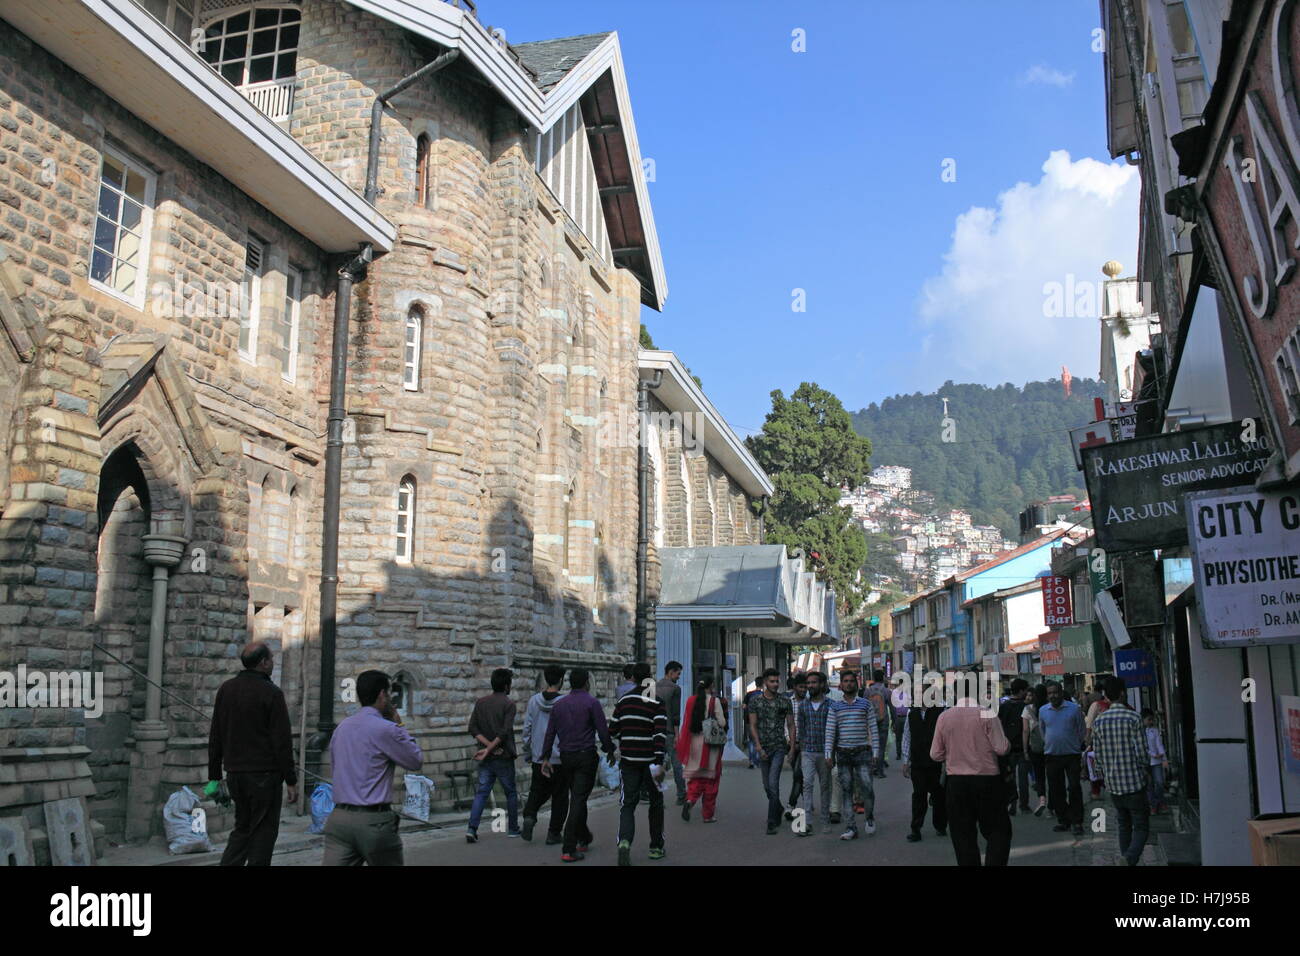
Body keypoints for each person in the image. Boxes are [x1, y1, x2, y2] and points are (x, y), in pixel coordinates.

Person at [207, 641, 298, 866]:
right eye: (271, 659)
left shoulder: (226, 689)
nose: (273, 663)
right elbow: (282, 742)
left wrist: (215, 775)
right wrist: (291, 780)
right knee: (263, 833)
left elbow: (215, 734)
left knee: (243, 828)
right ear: (263, 662)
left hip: (235, 775)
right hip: (264, 776)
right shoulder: (272, 693)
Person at [322, 670, 423, 865]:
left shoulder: (342, 728)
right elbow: (415, 760)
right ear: (382, 694)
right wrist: (399, 724)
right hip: (373, 821)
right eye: (389, 693)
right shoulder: (386, 729)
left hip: (339, 818)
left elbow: (336, 766)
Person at [541, 667, 616, 862]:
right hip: (585, 756)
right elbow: (602, 730)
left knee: (577, 796)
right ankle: (569, 846)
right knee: (578, 799)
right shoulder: (592, 703)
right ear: (586, 683)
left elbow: (550, 732)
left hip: (566, 757)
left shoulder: (559, 705)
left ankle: (583, 837)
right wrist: (610, 750)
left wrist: (546, 757)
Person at [930, 692, 1011, 866]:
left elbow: (935, 754)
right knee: (998, 831)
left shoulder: (944, 717)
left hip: (957, 783)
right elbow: (1002, 748)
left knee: (963, 836)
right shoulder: (987, 714)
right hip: (988, 781)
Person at [610, 662, 668, 865]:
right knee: (656, 802)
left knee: (627, 804)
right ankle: (656, 847)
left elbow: (613, 729)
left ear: (633, 678)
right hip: (652, 761)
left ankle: (624, 842)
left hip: (629, 761)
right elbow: (659, 733)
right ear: (648, 677)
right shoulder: (656, 701)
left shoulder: (624, 701)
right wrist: (660, 760)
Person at [1092, 676, 1150, 865]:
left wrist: (1104, 776)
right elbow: (1142, 753)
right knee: (1141, 826)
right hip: (1134, 783)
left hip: (1113, 785)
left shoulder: (1099, 721)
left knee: (1124, 825)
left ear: (1106, 696)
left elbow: (1097, 757)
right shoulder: (1133, 717)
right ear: (1123, 693)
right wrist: (1145, 772)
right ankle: (1129, 858)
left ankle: (1127, 859)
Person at [465, 667, 520, 843]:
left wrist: (487, 747)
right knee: (511, 793)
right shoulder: (509, 705)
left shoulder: (481, 702)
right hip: (503, 756)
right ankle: (512, 828)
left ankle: (472, 829)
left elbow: (472, 728)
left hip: (485, 756)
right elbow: (504, 732)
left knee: (481, 793)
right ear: (506, 686)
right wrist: (492, 748)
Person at [825, 668, 879, 840]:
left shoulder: (865, 704)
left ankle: (869, 819)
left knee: (867, 788)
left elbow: (873, 729)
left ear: (856, 684)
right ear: (841, 685)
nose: (848, 684)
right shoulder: (835, 706)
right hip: (843, 754)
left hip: (863, 752)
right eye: (845, 681)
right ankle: (851, 827)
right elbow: (830, 731)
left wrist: (876, 751)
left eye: (851, 681)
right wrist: (828, 754)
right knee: (846, 791)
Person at [520, 664, 568, 843]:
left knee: (537, 790)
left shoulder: (534, 701)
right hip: (560, 757)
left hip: (539, 755)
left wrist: (528, 751)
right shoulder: (564, 702)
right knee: (560, 796)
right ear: (561, 680)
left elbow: (527, 729)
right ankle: (554, 833)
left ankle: (530, 816)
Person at [748, 667, 797, 835]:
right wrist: (758, 747)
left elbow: (791, 725)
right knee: (767, 786)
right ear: (765, 683)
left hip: (778, 747)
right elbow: (752, 725)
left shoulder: (785, 701)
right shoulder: (756, 701)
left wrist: (791, 747)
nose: (776, 684)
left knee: (773, 782)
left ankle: (771, 821)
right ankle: (779, 807)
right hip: (763, 748)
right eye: (772, 681)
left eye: (777, 681)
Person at [1040, 680, 1086, 836]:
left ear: (1061, 693)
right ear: (1047, 695)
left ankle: (1077, 821)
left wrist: (1075, 745)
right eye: (1050, 693)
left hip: (1072, 755)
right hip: (1052, 755)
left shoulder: (1074, 709)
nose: (1053, 696)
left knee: (1074, 787)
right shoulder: (1043, 711)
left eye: (1055, 692)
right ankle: (1064, 820)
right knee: (1056, 790)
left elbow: (1081, 730)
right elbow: (1043, 731)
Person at [678, 674, 726, 822]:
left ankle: (690, 800)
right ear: (711, 686)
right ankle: (708, 815)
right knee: (711, 779)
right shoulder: (714, 701)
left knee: (696, 776)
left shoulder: (691, 700)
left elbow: (687, 721)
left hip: (694, 742)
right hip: (710, 743)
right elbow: (722, 723)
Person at [901, 699, 947, 842]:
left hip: (936, 762)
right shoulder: (912, 713)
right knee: (919, 796)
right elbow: (907, 737)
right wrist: (905, 761)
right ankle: (916, 829)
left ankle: (940, 825)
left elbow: (946, 736)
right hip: (918, 762)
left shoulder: (941, 711)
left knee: (938, 795)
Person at [795, 671, 834, 835]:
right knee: (807, 784)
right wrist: (802, 748)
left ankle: (825, 820)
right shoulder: (803, 705)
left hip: (825, 752)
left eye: (813, 683)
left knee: (825, 786)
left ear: (822, 684)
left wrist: (831, 753)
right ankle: (808, 822)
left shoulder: (831, 705)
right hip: (808, 752)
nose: (810, 686)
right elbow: (801, 729)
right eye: (808, 683)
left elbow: (834, 730)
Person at [997, 678, 1031, 816]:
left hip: (1007, 746)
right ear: (1022, 690)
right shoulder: (1025, 707)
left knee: (1009, 777)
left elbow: (998, 725)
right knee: (1023, 778)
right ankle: (1024, 805)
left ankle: (1012, 801)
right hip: (1022, 746)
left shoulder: (1004, 706)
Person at [656, 661, 686, 805]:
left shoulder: (654, 686)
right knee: (677, 764)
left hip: (655, 732)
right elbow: (675, 715)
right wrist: (677, 735)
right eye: (678, 673)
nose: (679, 676)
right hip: (669, 731)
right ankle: (681, 794)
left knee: (657, 764)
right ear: (671, 672)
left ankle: (656, 794)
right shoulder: (675, 689)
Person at [784, 673, 808, 818]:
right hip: (791, 744)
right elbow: (785, 724)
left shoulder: (810, 702)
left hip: (806, 745)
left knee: (798, 774)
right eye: (801, 687)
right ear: (794, 687)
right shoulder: (788, 702)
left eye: (805, 687)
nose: (804, 689)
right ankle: (808, 803)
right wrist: (790, 741)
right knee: (800, 775)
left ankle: (791, 804)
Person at [1022, 683, 1048, 815]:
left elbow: (1025, 731)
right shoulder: (1050, 708)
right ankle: (1054, 803)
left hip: (1035, 747)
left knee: (1039, 775)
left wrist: (1025, 749)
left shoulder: (1027, 709)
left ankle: (1042, 799)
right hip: (1051, 746)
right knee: (1053, 775)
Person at [865, 669, 892, 777]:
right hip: (883, 721)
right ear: (883, 677)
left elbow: (864, 706)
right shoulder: (886, 691)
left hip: (870, 721)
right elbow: (892, 708)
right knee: (881, 747)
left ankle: (872, 768)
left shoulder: (867, 691)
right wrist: (894, 721)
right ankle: (880, 771)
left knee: (871, 745)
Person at [1143, 709, 1169, 813]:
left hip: (1157, 762)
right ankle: (1153, 804)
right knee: (1149, 784)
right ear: (1143, 719)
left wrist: (1164, 758)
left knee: (1159, 782)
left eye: (1152, 719)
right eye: (1149, 719)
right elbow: (1143, 747)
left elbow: (1159, 744)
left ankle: (1160, 802)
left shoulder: (1155, 730)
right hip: (1146, 761)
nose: (1151, 722)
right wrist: (1154, 754)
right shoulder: (1140, 732)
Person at [742, 677, 764, 769]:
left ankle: (751, 761)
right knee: (759, 740)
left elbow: (743, 706)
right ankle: (758, 761)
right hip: (761, 721)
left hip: (749, 721)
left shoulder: (749, 694)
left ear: (755, 684)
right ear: (763, 684)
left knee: (751, 741)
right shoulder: (764, 695)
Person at [892, 681, 910, 761]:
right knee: (898, 737)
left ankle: (908, 754)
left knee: (908, 737)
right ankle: (898, 754)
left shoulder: (908, 692)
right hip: (898, 717)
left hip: (907, 717)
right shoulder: (894, 692)